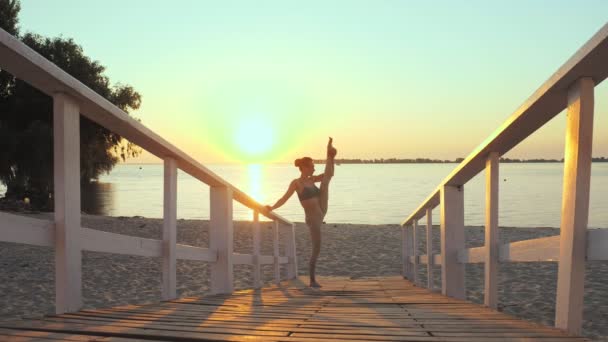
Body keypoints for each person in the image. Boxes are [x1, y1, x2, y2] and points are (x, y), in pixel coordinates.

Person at [266, 137, 337, 287]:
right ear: (304, 167)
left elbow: (329, 174)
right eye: (311, 166)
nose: (313, 168)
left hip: (322, 208)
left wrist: (330, 161)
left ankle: (330, 154)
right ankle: (312, 279)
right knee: (317, 247)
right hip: (314, 219)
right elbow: (284, 198)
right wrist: (272, 207)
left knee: (326, 179)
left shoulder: (312, 180)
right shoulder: (296, 183)